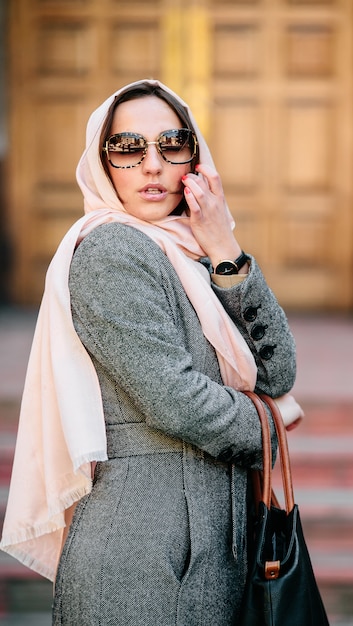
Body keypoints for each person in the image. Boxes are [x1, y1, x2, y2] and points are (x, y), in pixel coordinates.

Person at [0, 80, 303, 625]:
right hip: (146, 556)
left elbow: (277, 369)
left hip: (206, 551)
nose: (151, 164)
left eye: (171, 143)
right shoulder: (112, 251)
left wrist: (224, 248)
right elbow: (177, 399)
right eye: (128, 148)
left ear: (194, 156)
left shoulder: (192, 253)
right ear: (103, 162)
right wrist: (269, 420)